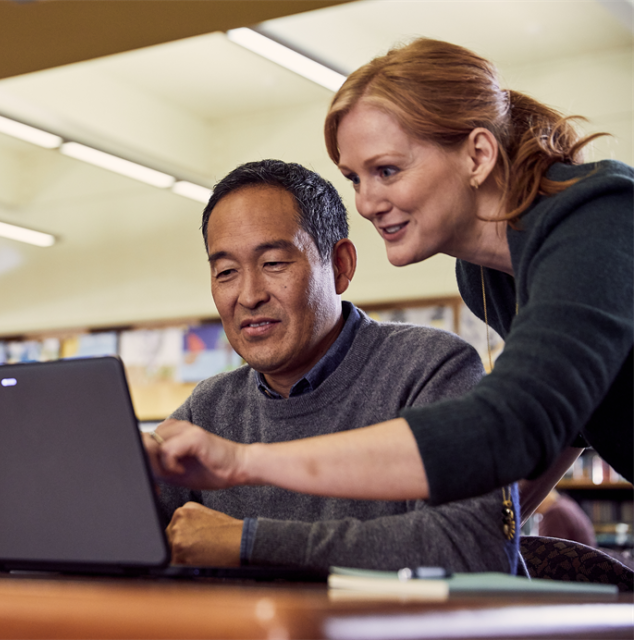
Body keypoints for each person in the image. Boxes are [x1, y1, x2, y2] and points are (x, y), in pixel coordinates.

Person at [148, 38, 634, 513]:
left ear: (478, 155)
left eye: (387, 170)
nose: (365, 203)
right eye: (355, 178)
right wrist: (479, 524)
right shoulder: (485, 275)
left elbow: (511, 424)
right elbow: (567, 415)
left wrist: (243, 460)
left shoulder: (597, 219)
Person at [148, 159, 518, 573]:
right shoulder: (209, 408)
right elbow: (118, 533)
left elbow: (475, 548)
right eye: (226, 272)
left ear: (340, 266)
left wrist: (250, 541)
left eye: (273, 263)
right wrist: (117, 473)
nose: (248, 295)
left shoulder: (431, 369)